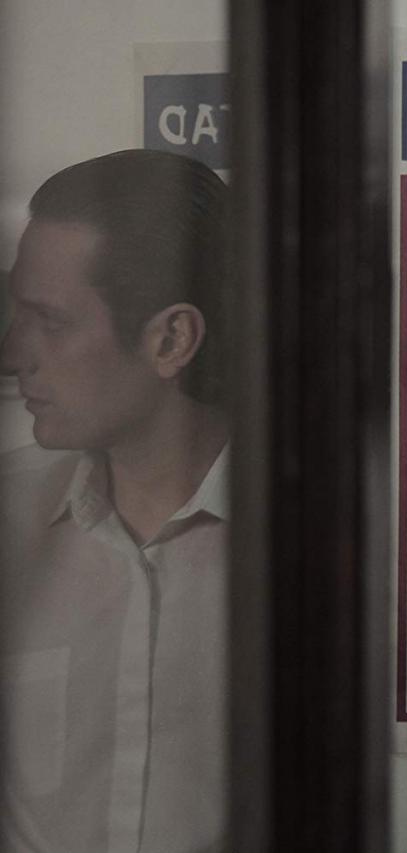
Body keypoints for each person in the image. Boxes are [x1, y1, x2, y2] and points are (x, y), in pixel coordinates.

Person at [0, 150, 230, 852]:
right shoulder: (8, 521)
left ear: (172, 339)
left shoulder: (315, 543)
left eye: (50, 321)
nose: (12, 352)